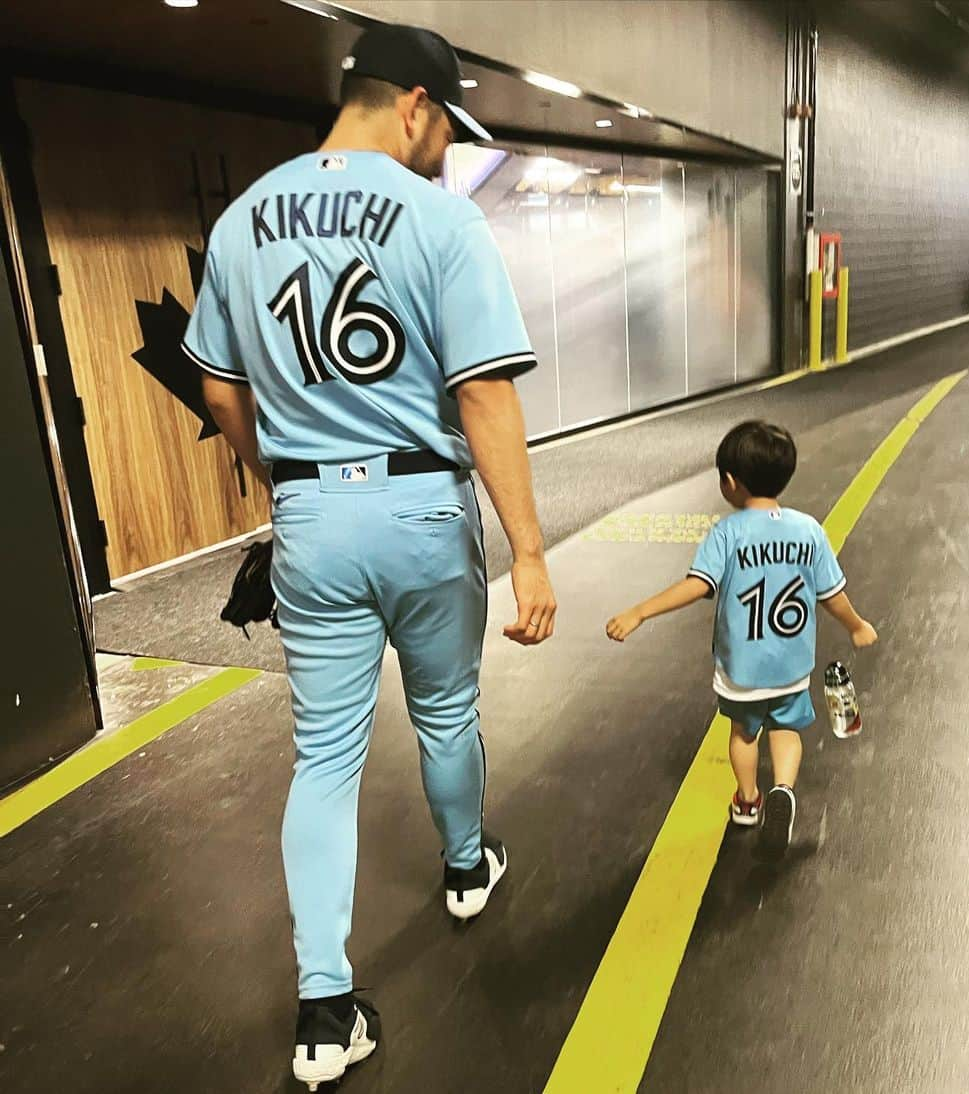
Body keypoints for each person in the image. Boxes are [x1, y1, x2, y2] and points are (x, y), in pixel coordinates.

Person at [183, 22, 556, 1091]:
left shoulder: (244, 216)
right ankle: (463, 868)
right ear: (418, 107)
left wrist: (290, 480)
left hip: (311, 518)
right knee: (445, 710)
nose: (443, 153)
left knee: (325, 760)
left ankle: (321, 1010)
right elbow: (483, 389)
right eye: (446, 131)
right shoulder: (440, 219)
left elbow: (218, 390)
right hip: (421, 509)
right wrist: (529, 549)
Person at [606, 420, 876, 858]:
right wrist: (857, 625)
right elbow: (832, 594)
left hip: (741, 669)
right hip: (790, 665)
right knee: (786, 729)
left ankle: (748, 800)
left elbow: (696, 585)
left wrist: (640, 611)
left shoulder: (728, 533)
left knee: (744, 733)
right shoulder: (808, 529)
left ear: (730, 482)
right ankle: (783, 790)